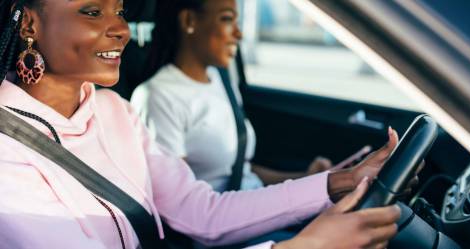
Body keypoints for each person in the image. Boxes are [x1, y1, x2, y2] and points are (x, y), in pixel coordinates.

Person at [0, 0, 400, 248]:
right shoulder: (7, 153)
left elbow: (204, 213)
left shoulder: (114, 112)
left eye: (120, 10)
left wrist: (335, 183)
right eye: (92, 11)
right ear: (29, 25)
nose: (121, 29)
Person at [131, 0, 336, 193]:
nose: (238, 33)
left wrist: (308, 178)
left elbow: (241, 172)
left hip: (252, 207)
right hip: (226, 225)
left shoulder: (219, 79)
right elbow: (184, 206)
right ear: (189, 21)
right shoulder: (158, 96)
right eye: (227, 19)